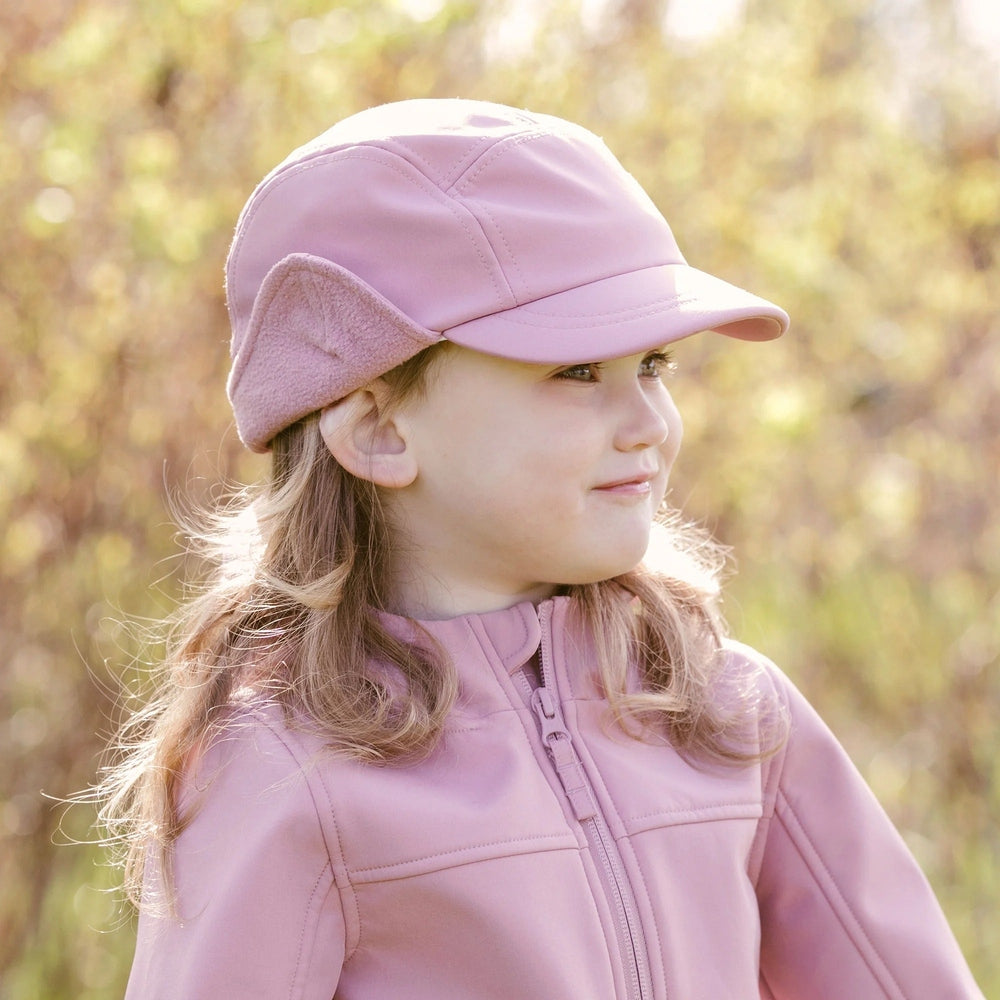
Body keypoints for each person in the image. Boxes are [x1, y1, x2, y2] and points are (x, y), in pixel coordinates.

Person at [105, 99, 983, 998]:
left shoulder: (726, 714)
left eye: (652, 366)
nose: (649, 422)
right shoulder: (287, 773)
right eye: (575, 372)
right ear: (377, 429)